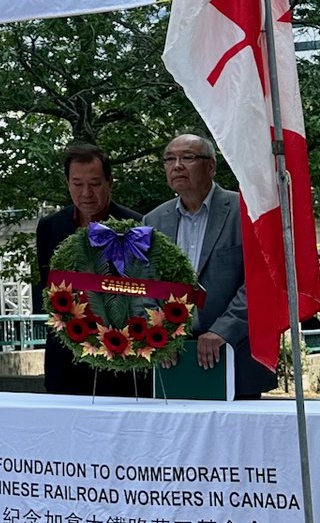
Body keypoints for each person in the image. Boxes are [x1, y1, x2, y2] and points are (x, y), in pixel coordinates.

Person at [145, 134, 275, 399]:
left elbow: (262, 281)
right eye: (170, 159)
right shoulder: (154, 220)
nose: (177, 165)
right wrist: (159, 332)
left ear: (211, 167)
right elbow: (144, 284)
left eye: (187, 157)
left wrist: (222, 330)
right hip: (173, 359)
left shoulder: (247, 211)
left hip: (236, 354)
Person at [34, 143, 145, 395]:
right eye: (77, 183)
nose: (86, 193)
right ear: (67, 183)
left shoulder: (137, 226)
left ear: (110, 182)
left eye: (94, 184)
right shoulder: (50, 227)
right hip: (65, 358)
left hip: (120, 356)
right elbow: (48, 288)